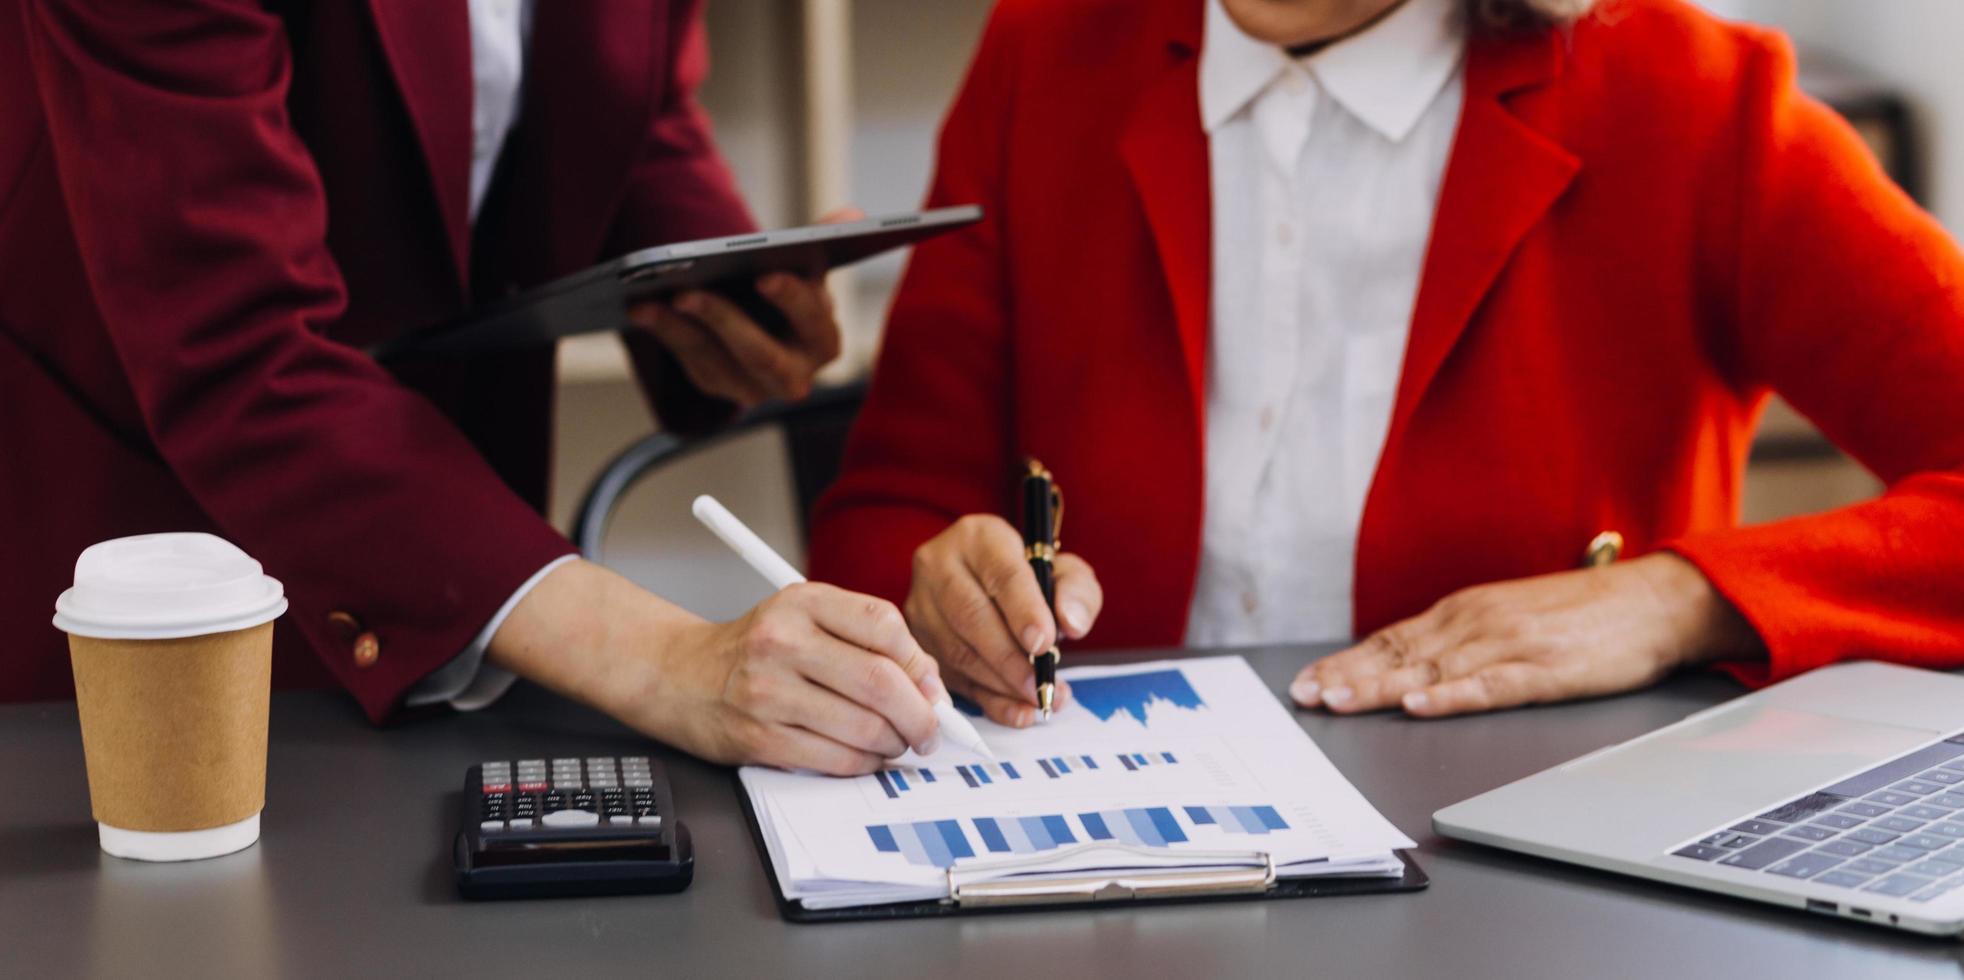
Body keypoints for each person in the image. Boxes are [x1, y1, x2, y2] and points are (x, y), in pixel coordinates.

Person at [807, 0, 1964, 726]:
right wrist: (934, 586)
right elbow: (893, 502)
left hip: (1527, 878)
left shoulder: (1694, 98)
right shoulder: (1041, 50)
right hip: (1097, 851)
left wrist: (1680, 601)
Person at [2, 0, 949, 775]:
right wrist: (668, 659)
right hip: (151, 562)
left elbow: (628, 92)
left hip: (458, 576)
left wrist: (724, 302)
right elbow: (239, 343)